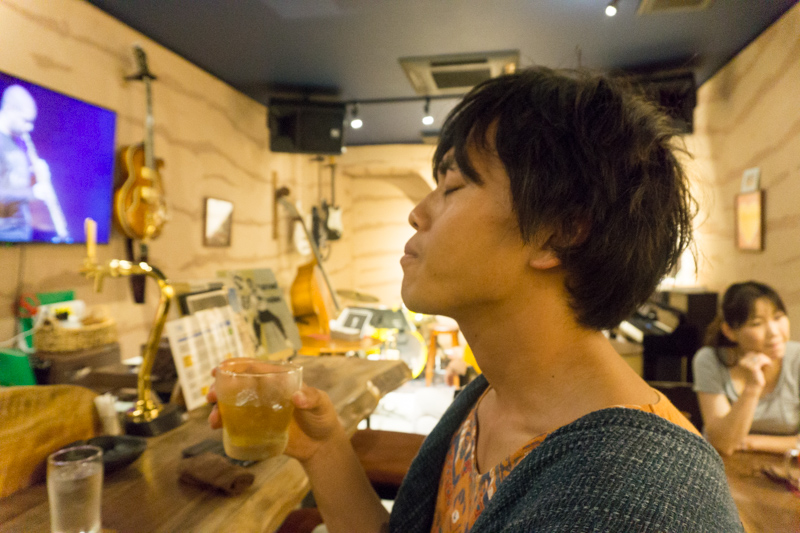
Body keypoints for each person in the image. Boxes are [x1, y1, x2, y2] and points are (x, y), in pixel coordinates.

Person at [210, 67, 742, 531]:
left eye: (453, 186)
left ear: (558, 233)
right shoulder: (486, 401)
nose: (417, 213)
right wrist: (322, 448)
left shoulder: (648, 499)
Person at [693, 281, 799, 456]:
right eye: (757, 323)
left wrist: (749, 442)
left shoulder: (797, 359)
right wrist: (752, 387)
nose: (774, 332)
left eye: (778, 317)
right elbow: (723, 444)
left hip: (783, 467)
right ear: (729, 331)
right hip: (722, 464)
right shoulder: (709, 360)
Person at [0, 84, 68, 242]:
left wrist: (34, 177)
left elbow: (11, 182)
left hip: (20, 233)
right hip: (4, 233)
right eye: (25, 120)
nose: (29, 127)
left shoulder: (18, 141)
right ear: (9, 109)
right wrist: (33, 193)